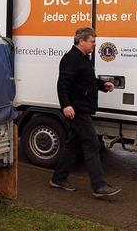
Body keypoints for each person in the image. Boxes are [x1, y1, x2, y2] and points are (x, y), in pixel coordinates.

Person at [50, 27, 122, 198]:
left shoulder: (83, 58)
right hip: (77, 110)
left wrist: (102, 85)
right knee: (92, 144)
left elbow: (86, 81)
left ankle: (58, 178)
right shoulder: (71, 59)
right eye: (92, 42)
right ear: (81, 41)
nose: (94, 45)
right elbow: (63, 84)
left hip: (81, 109)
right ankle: (99, 186)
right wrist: (66, 105)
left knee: (73, 144)